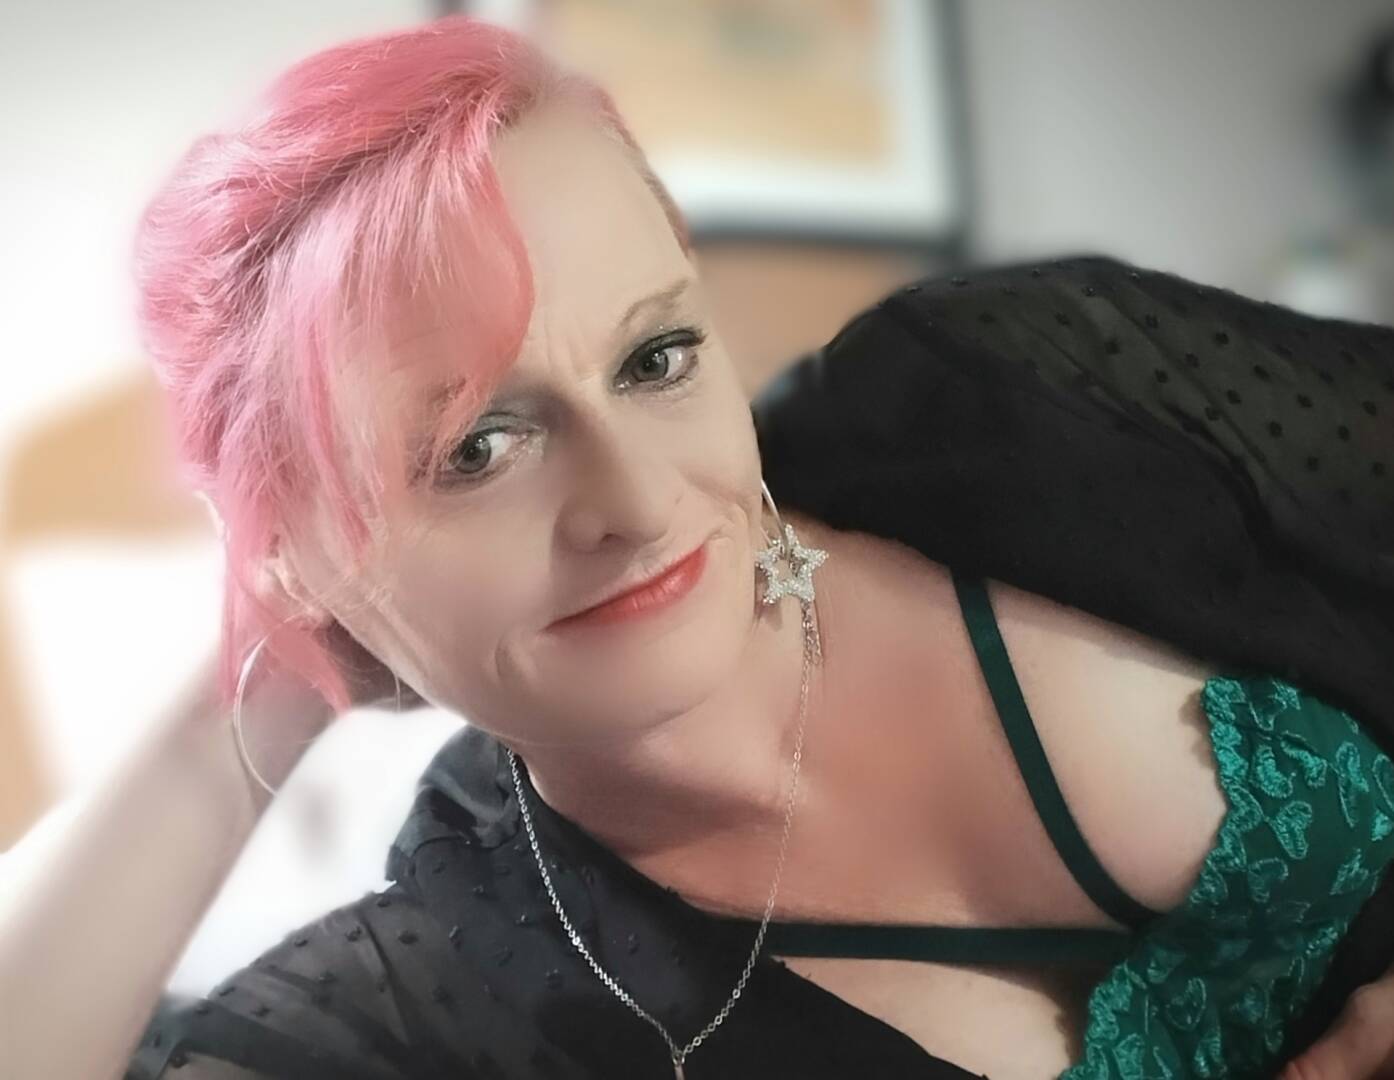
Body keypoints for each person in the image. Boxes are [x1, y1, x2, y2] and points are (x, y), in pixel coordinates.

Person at [2, 13, 1393, 1080]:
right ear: (293, 557)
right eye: (476, 448)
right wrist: (234, 717)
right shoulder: (447, 989)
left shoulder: (1006, 396)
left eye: (656, 357)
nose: (637, 498)